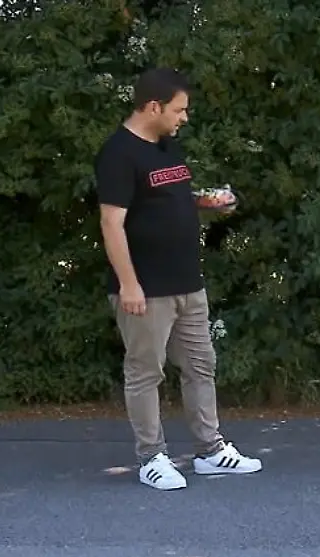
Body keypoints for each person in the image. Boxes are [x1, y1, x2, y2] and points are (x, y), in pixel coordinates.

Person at [93, 66, 262, 490]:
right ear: (154, 107)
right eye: (179, 109)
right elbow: (112, 223)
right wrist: (129, 284)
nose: (184, 117)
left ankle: (210, 451)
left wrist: (204, 202)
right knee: (145, 373)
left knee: (201, 366)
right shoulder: (118, 154)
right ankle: (151, 458)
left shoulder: (168, 147)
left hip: (188, 282)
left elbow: (167, 198)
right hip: (146, 288)